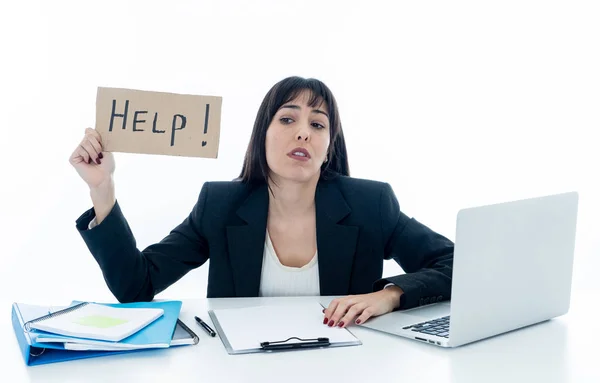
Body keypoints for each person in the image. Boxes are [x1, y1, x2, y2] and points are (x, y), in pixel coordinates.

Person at [70, 76, 454, 328]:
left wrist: (390, 295)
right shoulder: (219, 205)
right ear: (263, 134)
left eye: (318, 125)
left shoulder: (371, 204)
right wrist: (102, 189)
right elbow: (137, 286)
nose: (303, 133)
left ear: (328, 146)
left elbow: (457, 263)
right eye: (288, 119)